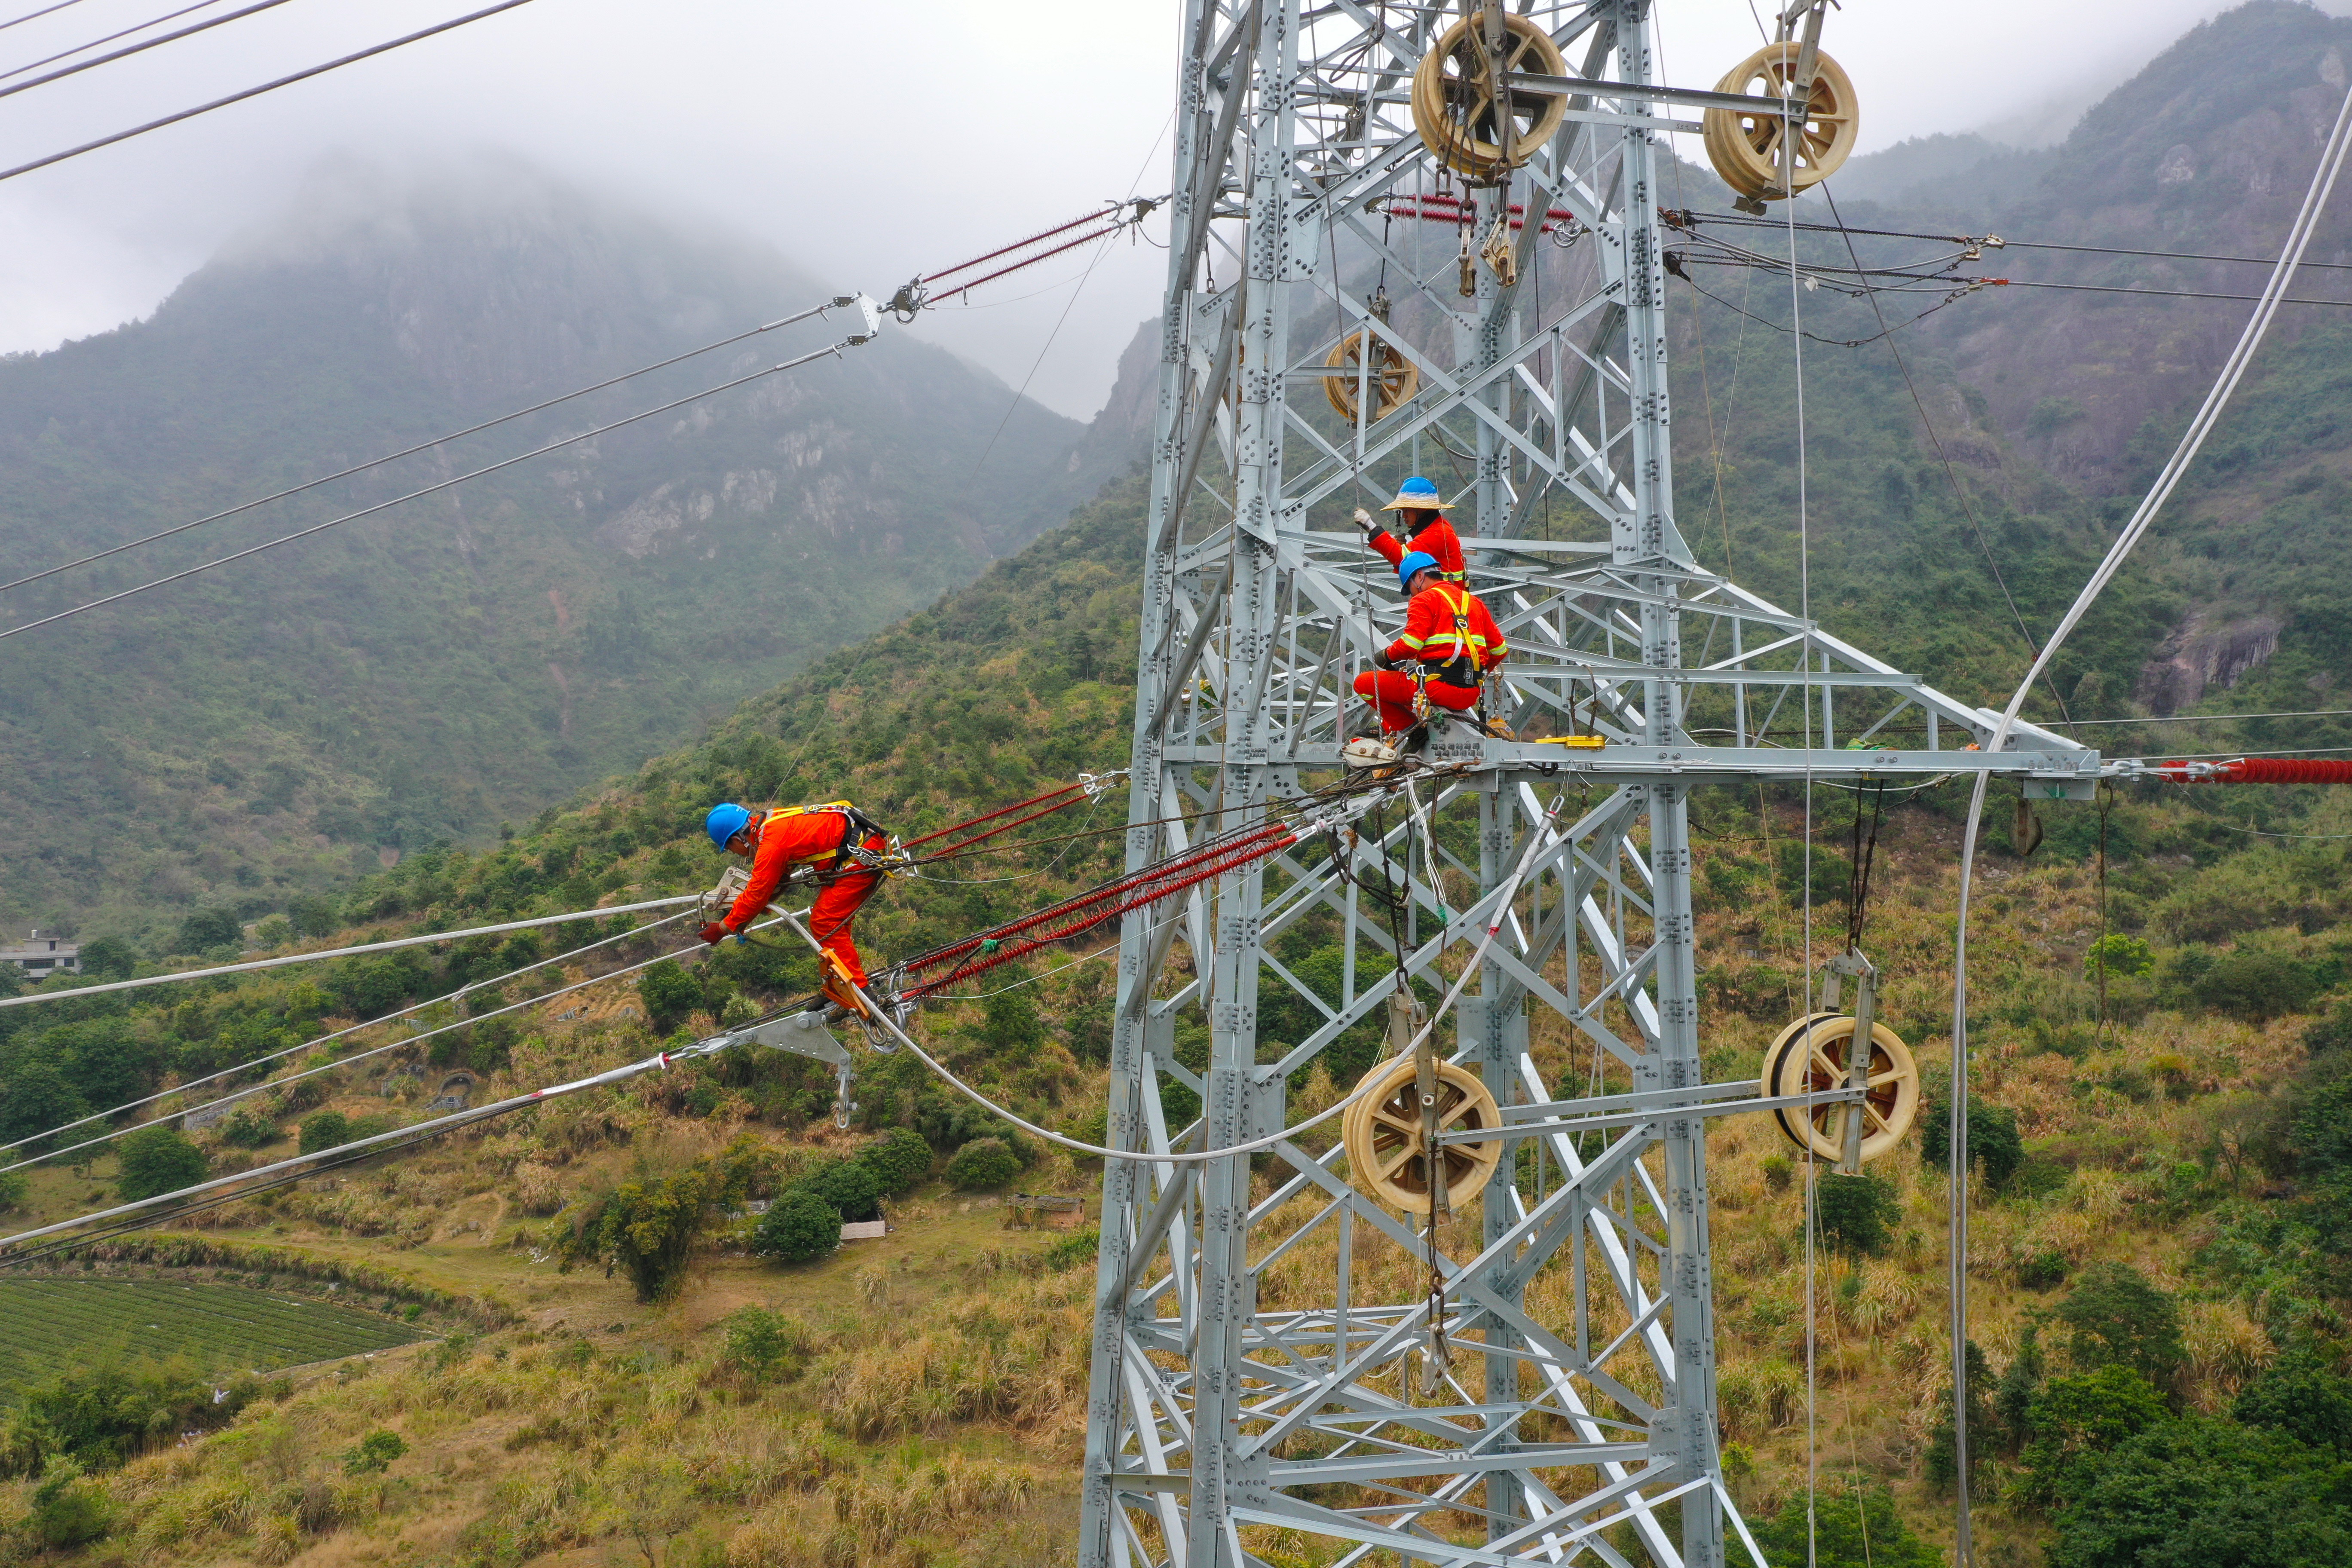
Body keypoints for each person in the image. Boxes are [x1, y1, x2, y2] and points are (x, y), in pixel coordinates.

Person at [698, 801, 890, 1017]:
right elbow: (778, 878)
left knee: (826, 922)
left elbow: (757, 892)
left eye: (732, 849)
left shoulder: (771, 842)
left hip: (861, 857)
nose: (738, 854)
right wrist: (744, 917)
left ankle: (859, 992)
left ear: (738, 839)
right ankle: (840, 983)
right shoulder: (769, 822)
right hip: (862, 847)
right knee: (835, 926)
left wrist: (723, 928)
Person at [1351, 551, 1507, 736]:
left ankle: (1411, 730)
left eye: (1410, 587)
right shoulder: (1474, 603)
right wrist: (1477, 676)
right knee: (1407, 687)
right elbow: (1500, 650)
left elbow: (1411, 645)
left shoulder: (1424, 600)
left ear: (1419, 576)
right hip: (1469, 695)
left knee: (1364, 684)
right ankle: (1392, 727)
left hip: (1435, 687)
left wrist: (1386, 656)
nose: (1411, 593)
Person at [1354, 475, 1464, 580]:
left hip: (1443, 596)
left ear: (1420, 509)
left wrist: (1371, 526)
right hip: (1446, 594)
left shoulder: (1437, 533)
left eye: (1406, 510)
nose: (1403, 516)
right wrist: (1405, 548)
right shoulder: (1438, 528)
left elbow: (1401, 558)